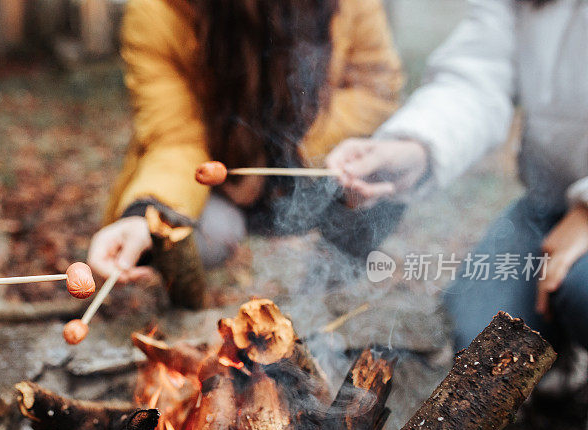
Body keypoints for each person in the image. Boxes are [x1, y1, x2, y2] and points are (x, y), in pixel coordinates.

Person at [325, 0, 588, 355]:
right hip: (548, 205)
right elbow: (477, 78)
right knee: (480, 341)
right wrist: (414, 146)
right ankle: (554, 366)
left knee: (577, 288)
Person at [89, 0, 404, 282]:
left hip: (311, 169)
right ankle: (182, 306)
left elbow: (375, 90)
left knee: (387, 176)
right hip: (220, 183)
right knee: (179, 237)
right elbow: (173, 136)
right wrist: (149, 215)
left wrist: (276, 156)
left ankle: (330, 291)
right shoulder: (160, 10)